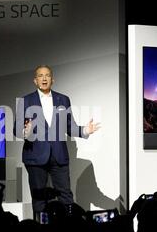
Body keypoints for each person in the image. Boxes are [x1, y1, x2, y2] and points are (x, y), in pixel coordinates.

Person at [14, 65, 100, 219]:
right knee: (39, 199)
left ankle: (68, 230)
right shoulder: (25, 101)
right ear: (35, 80)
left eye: (47, 75)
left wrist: (85, 130)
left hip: (58, 156)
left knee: (66, 196)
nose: (44, 78)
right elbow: (16, 129)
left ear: (53, 79)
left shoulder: (63, 99)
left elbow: (70, 127)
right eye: (40, 75)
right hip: (35, 156)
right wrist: (25, 132)